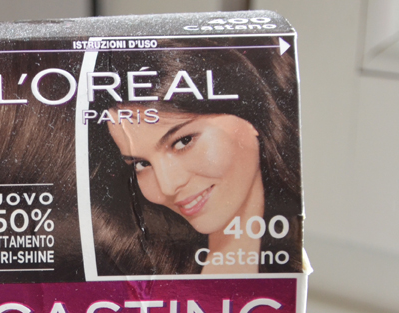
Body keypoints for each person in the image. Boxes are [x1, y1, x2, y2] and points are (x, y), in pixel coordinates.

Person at [87, 42, 302, 275]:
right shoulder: (142, 274)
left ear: (252, 114)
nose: (168, 187)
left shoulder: (293, 260)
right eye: (141, 164)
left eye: (184, 141)